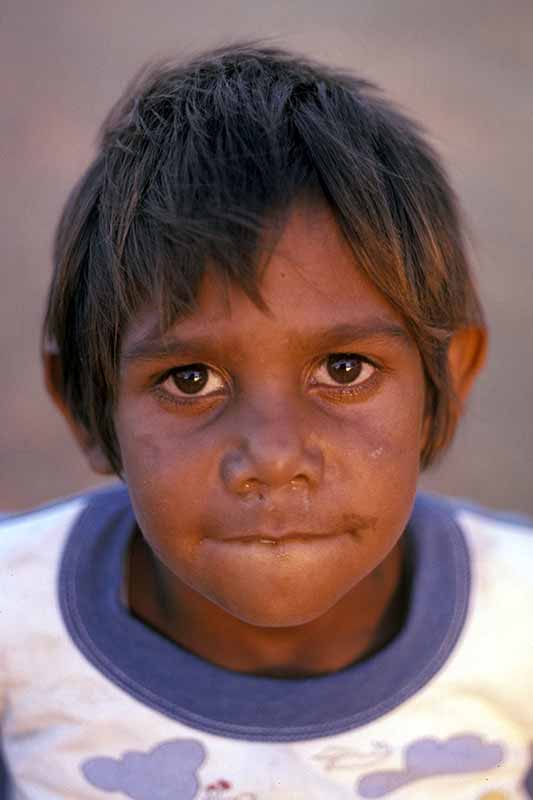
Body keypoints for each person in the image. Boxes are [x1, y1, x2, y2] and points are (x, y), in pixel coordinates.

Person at [0, 42, 531, 800]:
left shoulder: (519, 630)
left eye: (343, 371)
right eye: (191, 380)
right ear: (85, 405)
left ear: (448, 376)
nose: (274, 456)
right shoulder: (13, 627)